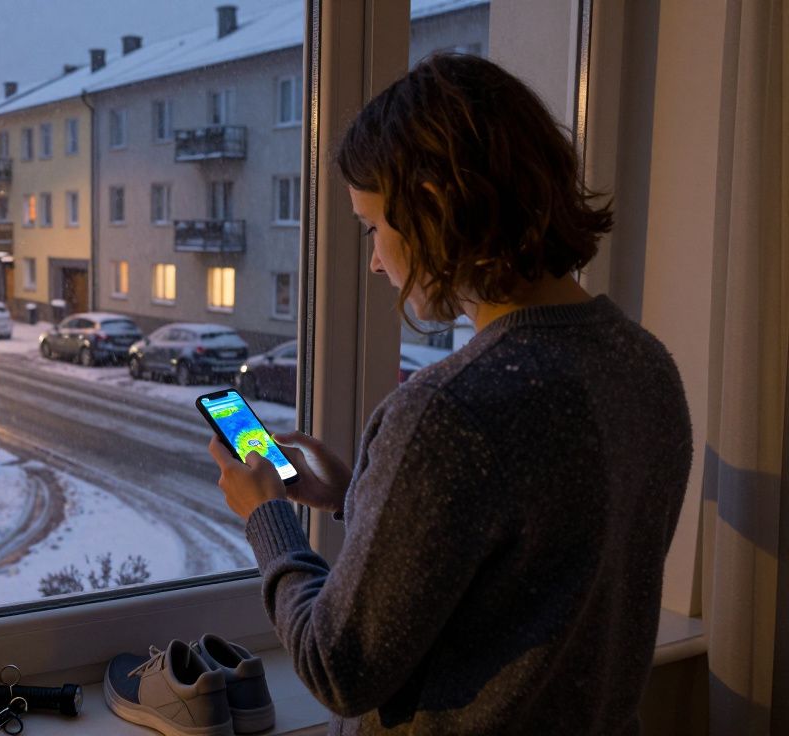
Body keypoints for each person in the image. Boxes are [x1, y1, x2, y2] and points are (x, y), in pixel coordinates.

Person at [208, 54, 693, 735]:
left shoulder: (447, 413)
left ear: (433, 204)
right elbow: (531, 571)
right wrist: (359, 500)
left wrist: (266, 516)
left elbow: (338, 669)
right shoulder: (646, 366)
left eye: (373, 227)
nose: (375, 259)